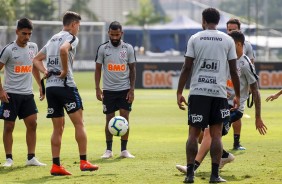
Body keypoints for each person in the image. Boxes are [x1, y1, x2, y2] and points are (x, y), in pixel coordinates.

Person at [176, 30, 267, 176]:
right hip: (220, 103)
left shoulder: (244, 63)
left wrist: (258, 117)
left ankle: (192, 168)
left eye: (231, 42)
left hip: (235, 109)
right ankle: (224, 156)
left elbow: (255, 90)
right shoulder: (226, 59)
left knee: (208, 133)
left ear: (238, 44)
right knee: (200, 134)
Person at [177, 8, 240, 183]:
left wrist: (179, 92)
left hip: (198, 92)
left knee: (192, 134)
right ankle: (214, 175)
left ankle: (190, 175)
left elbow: (187, 67)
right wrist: (237, 95)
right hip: (218, 94)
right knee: (216, 134)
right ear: (218, 22)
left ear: (203, 20)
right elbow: (234, 71)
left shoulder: (195, 38)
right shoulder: (227, 40)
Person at [32, 11, 98, 175]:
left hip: (52, 88)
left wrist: (45, 71)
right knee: (79, 123)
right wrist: (64, 71)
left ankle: (56, 165)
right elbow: (63, 50)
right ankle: (83, 162)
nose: (78, 30)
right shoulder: (71, 38)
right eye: (79, 26)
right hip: (66, 85)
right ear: (74, 24)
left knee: (57, 128)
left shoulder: (53, 38)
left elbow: (35, 59)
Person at [0, 18, 46, 167]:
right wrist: (1, 91)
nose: (26, 37)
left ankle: (31, 158)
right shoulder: (8, 50)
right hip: (10, 95)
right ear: (17, 32)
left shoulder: (33, 47)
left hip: (27, 94)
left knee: (33, 124)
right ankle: (9, 159)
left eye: (29, 34)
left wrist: (40, 85)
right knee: (9, 126)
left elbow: (33, 66)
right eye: (23, 33)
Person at [95, 21, 136, 159]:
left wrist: (132, 90)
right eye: (112, 35)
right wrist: (97, 88)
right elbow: (98, 69)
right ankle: (108, 150)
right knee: (109, 119)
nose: (114, 37)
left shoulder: (128, 48)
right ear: (108, 33)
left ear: (121, 33)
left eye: (117, 35)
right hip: (108, 90)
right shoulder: (102, 48)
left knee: (125, 118)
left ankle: (124, 150)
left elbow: (133, 69)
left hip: (124, 89)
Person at [226, 18, 256, 150]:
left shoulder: (247, 45)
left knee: (237, 114)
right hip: (224, 87)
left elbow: (250, 65)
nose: (231, 31)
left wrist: (249, 87)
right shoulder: (223, 42)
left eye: (233, 29)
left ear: (239, 30)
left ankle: (236, 142)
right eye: (229, 29)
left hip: (239, 86)